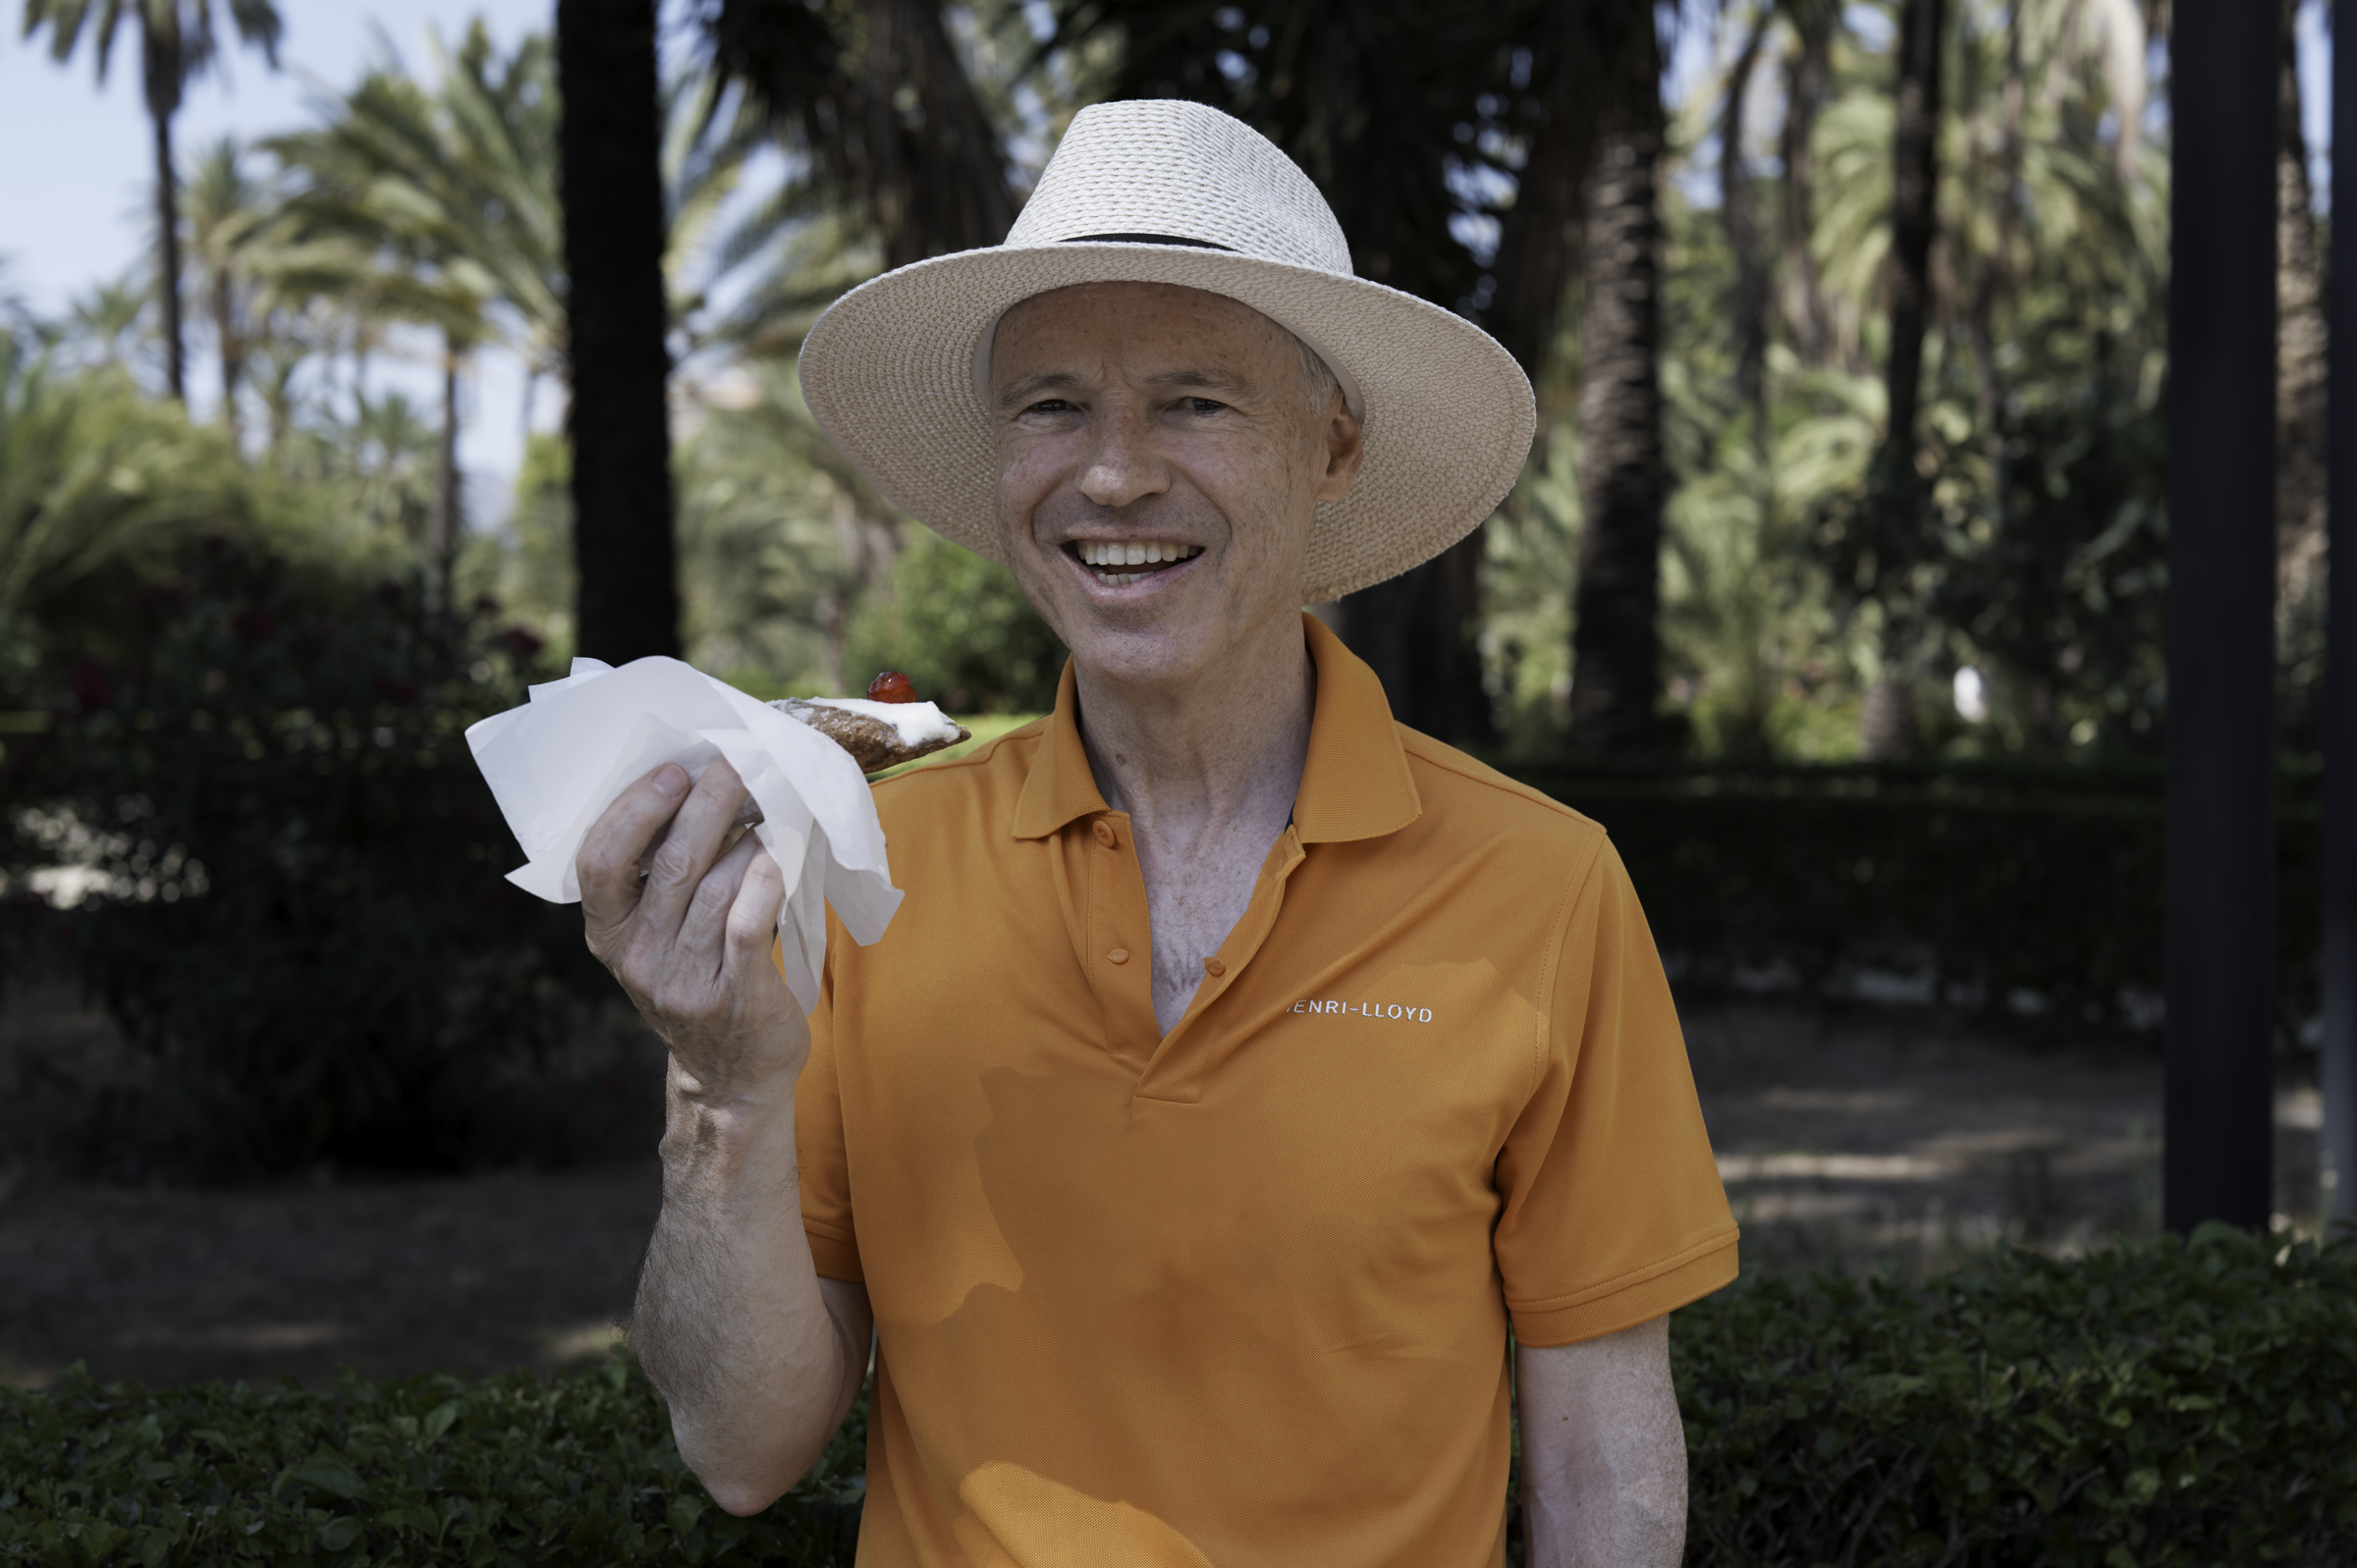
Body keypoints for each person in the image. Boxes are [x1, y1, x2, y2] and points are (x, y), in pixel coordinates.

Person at [578, 100, 1737, 1568]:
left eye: (1196, 402)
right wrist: (720, 1094)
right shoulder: (862, 864)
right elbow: (741, 1452)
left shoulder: (1544, 885)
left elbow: (1601, 1461)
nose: (1115, 473)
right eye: (1051, 406)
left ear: (1332, 446)